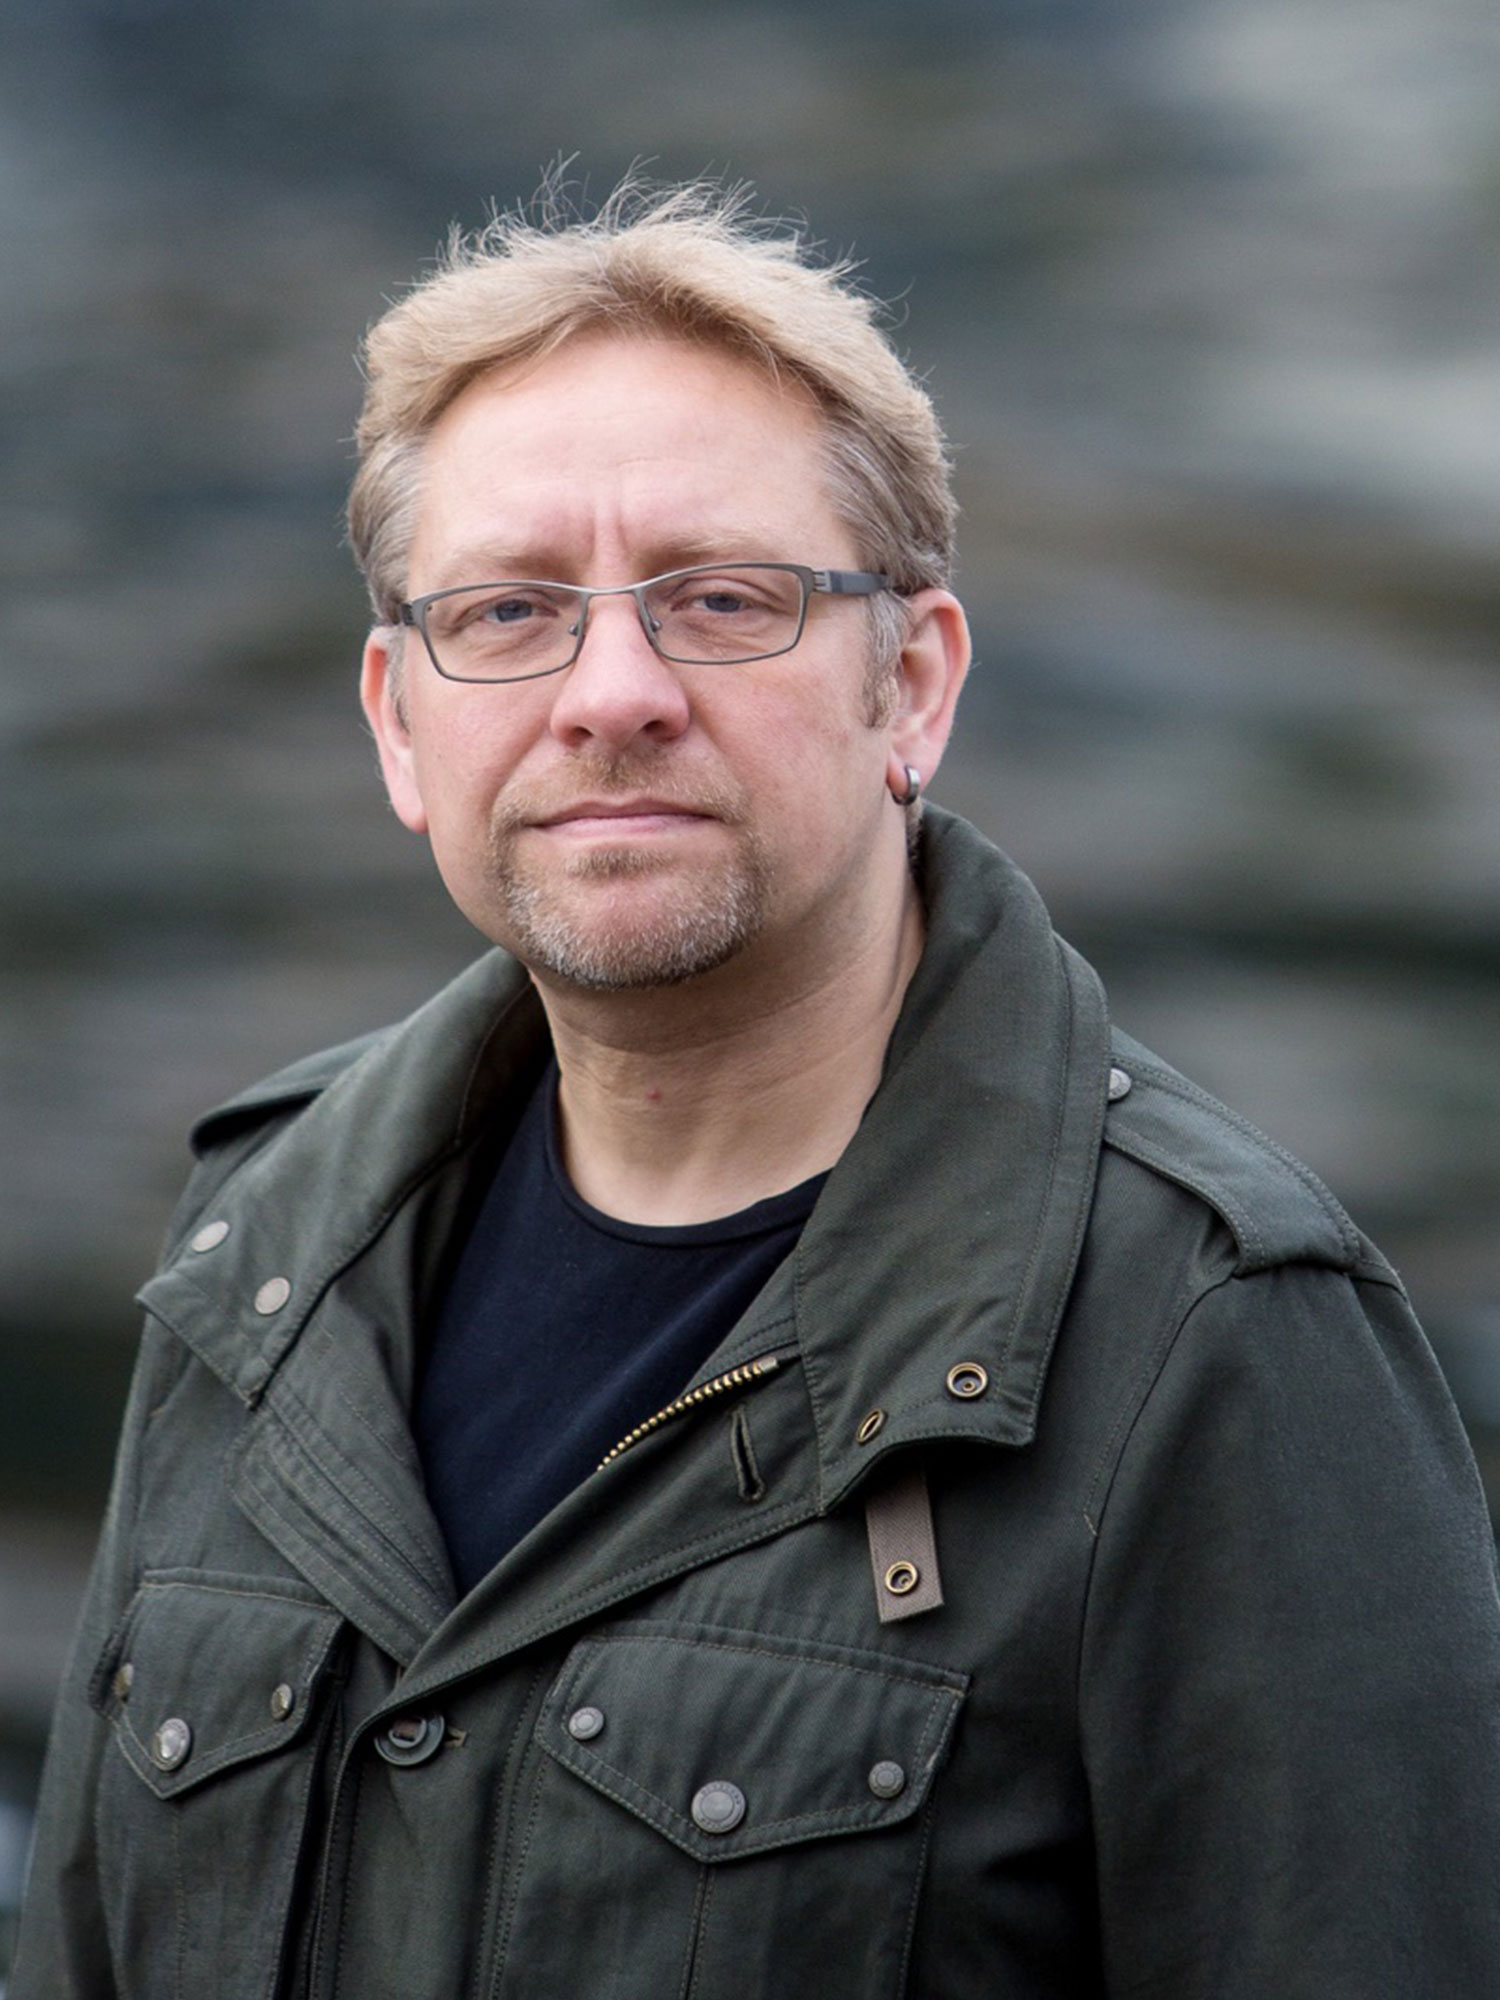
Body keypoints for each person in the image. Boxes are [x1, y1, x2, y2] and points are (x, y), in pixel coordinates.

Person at [14, 181, 1500, 2000]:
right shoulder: (262, 1256)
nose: (610, 692)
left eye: (722, 600)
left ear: (915, 686)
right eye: (509, 609)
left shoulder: (1219, 1339)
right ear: (402, 722)